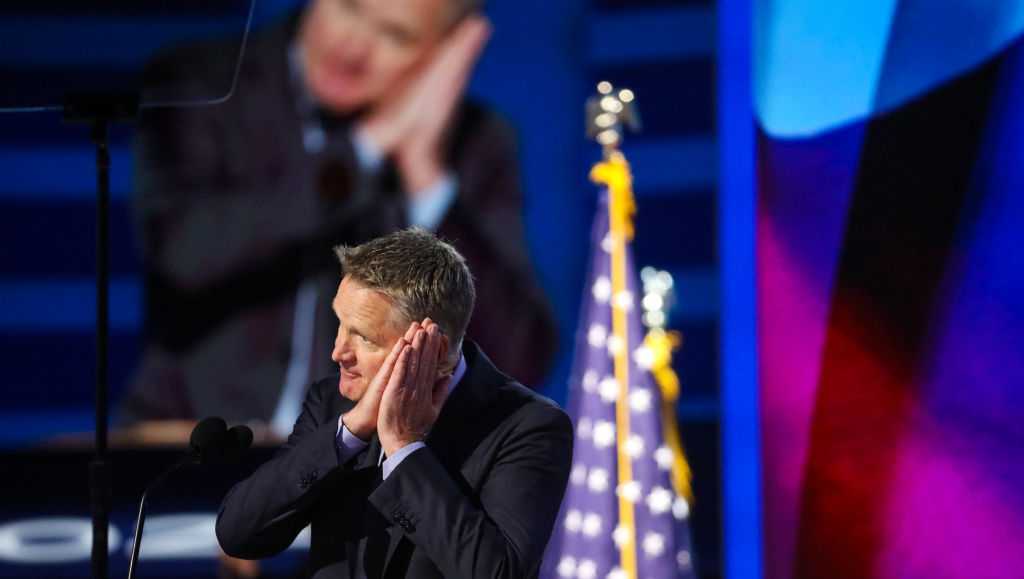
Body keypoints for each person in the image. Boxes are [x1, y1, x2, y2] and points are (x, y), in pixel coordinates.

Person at [120, 0, 557, 435]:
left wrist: (426, 178)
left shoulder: (477, 142)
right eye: (348, 7)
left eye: (395, 35)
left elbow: (518, 358)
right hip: (192, 454)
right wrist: (364, 151)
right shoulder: (204, 82)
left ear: (445, 50)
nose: (351, 47)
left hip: (368, 472)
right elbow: (182, 253)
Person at [216, 229, 573, 578]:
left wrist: (404, 447)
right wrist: (349, 434)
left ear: (431, 348)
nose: (338, 352)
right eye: (340, 324)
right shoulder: (333, 403)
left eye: (364, 337)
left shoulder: (528, 426)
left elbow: (498, 572)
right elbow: (238, 534)